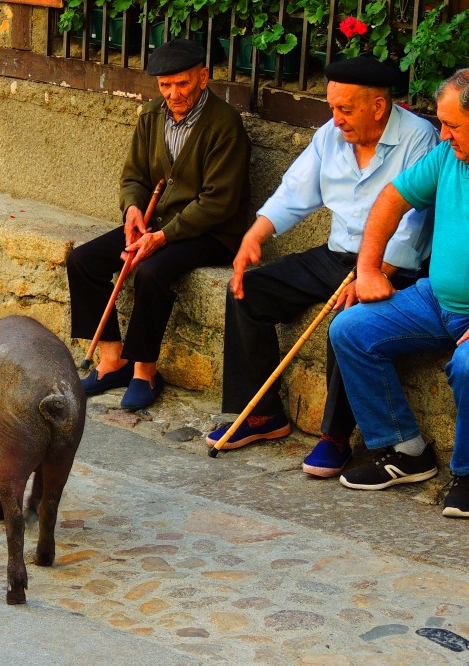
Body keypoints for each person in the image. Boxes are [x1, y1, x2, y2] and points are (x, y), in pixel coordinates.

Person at [204, 56, 437, 477]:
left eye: (345, 109)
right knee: (248, 291)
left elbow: (413, 228)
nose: (335, 118)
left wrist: (374, 273)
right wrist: (255, 235)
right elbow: (294, 191)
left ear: (378, 107)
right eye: (332, 107)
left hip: (393, 265)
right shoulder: (331, 134)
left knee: (349, 320)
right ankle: (261, 414)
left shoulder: (420, 138)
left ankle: (335, 438)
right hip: (337, 254)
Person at [67, 39, 250, 411]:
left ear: (203, 78)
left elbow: (218, 202)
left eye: (182, 84)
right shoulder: (152, 115)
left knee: (151, 272)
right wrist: (133, 210)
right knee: (83, 261)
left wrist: (163, 237)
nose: (173, 94)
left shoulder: (225, 124)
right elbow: (134, 176)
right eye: (165, 85)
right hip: (156, 222)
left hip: (211, 233)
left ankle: (144, 370)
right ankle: (113, 361)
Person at [329, 69, 469, 518]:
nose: (442, 135)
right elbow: (392, 198)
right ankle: (406, 452)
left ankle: (468, 474)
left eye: (452, 125)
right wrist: (367, 269)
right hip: (436, 301)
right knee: (350, 329)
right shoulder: (449, 156)